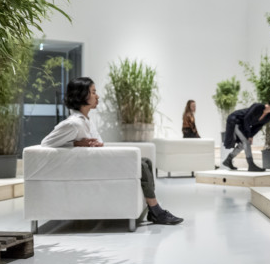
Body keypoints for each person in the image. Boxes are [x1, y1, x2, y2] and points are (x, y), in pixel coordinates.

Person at [41, 77, 183, 225]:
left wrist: (78, 144)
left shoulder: (85, 120)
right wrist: (76, 144)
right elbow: (46, 144)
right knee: (140, 165)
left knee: (145, 161)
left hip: (99, 163)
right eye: (94, 92)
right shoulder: (73, 124)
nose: (98, 96)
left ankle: (154, 209)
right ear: (82, 95)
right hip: (93, 168)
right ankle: (156, 212)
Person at [221, 99, 270, 172]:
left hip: (243, 124)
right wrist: (248, 135)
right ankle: (251, 165)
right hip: (235, 120)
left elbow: (257, 127)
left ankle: (228, 160)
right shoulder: (258, 106)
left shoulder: (268, 117)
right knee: (246, 142)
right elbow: (246, 118)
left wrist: (251, 136)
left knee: (244, 143)